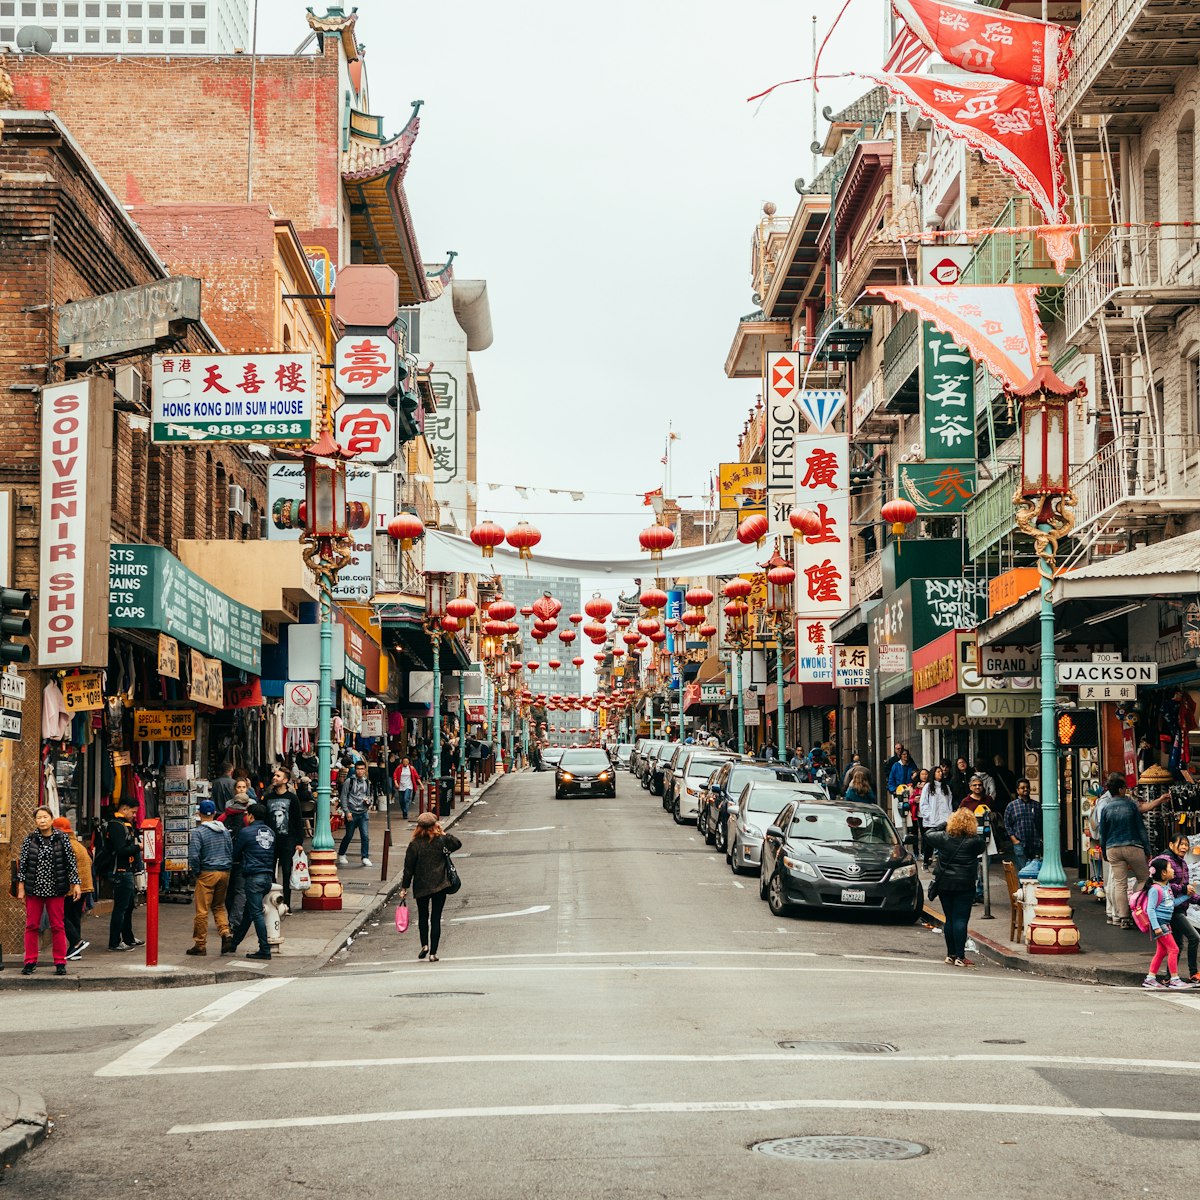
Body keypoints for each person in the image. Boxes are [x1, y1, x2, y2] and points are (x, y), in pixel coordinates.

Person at [16, 807, 81, 976]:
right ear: (35, 821)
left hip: (56, 888)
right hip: (34, 888)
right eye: (39, 818)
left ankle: (60, 962)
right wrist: (21, 888)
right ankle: (30, 961)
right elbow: (23, 865)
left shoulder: (62, 838)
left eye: (45, 817)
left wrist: (76, 884)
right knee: (31, 925)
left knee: (57, 925)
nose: (42, 820)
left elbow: (71, 862)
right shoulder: (30, 839)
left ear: (52, 819)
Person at [926, 808, 988, 968]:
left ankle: (951, 954)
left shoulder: (944, 838)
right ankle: (960, 956)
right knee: (961, 919)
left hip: (945, 884)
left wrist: (944, 824)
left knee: (950, 919)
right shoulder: (974, 841)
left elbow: (929, 833)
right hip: (965, 884)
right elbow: (983, 845)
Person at [398, 811, 463, 963]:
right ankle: (433, 953)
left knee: (423, 916)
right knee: (435, 918)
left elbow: (408, 869)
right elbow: (457, 843)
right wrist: (443, 832)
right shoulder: (442, 841)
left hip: (421, 885)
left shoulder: (414, 844)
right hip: (440, 884)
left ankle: (424, 945)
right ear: (435, 825)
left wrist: (404, 887)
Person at [1099, 776, 1151, 929]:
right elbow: (1141, 829)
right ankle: (1136, 907)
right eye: (1125, 788)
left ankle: (1124, 918)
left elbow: (1103, 833)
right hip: (1132, 845)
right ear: (1121, 789)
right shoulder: (1131, 806)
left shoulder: (1106, 808)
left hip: (1113, 848)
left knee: (1120, 883)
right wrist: (1147, 850)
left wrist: (1104, 851)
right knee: (1143, 878)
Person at [228, 802, 276, 961]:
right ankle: (233, 944)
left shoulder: (246, 832)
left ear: (251, 816)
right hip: (267, 876)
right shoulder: (270, 832)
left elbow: (235, 853)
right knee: (249, 912)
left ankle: (264, 949)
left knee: (256, 913)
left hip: (253, 876)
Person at [186, 799, 234, 957]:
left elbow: (194, 855)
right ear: (214, 813)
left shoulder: (198, 832)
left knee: (202, 910)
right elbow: (230, 850)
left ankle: (200, 944)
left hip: (207, 872)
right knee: (219, 906)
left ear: (199, 814)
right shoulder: (224, 831)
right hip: (224, 872)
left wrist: (197, 872)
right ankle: (225, 933)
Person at [1143, 855, 1194, 990]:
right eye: (1170, 868)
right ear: (1164, 873)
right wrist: (1156, 927)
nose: (1173, 870)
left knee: (1161, 952)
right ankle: (1174, 979)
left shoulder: (1167, 887)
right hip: (1160, 923)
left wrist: (1186, 896)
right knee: (1174, 949)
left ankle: (1150, 978)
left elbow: (1172, 903)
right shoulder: (1155, 889)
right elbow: (1150, 909)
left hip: (1165, 923)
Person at [104, 797, 144, 953]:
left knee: (129, 907)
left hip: (127, 870)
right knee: (121, 908)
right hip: (120, 871)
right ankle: (114, 942)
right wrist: (138, 847)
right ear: (124, 808)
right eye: (133, 812)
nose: (134, 815)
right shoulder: (116, 825)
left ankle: (128, 937)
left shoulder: (123, 825)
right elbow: (120, 850)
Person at [52, 817, 93, 961]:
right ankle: (75, 951)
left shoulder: (64, 845)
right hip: (85, 886)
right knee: (74, 917)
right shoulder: (78, 844)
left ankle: (77, 942)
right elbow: (89, 862)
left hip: (72, 887)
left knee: (60, 915)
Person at [1162, 831, 1200, 983]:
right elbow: (1163, 884)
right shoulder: (1164, 861)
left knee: (1176, 945)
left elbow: (1187, 891)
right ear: (1171, 845)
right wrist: (1183, 889)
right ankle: (1193, 973)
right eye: (1181, 844)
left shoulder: (1183, 863)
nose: (1184, 847)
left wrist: (1197, 899)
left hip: (1179, 908)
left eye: (1186, 845)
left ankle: (1169, 977)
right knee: (1194, 937)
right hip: (1171, 909)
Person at [265, 766, 303, 910]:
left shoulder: (292, 798)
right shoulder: (268, 798)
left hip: (288, 839)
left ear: (286, 780)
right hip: (270, 840)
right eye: (274, 775)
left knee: (287, 871)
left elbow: (297, 820)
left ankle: (286, 904)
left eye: (278, 776)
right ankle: (274, 900)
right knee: (269, 871)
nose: (274, 778)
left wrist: (299, 842)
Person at [337, 760, 373, 868]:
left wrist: (368, 801)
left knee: (365, 835)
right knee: (349, 835)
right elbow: (343, 796)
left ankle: (365, 857)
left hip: (363, 812)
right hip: (352, 812)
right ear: (355, 770)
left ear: (365, 770)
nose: (360, 771)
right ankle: (342, 853)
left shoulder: (367, 782)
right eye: (358, 769)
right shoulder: (349, 781)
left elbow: (369, 796)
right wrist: (346, 811)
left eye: (362, 769)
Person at [919, 765, 955, 869]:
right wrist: (929, 815)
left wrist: (949, 816)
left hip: (944, 819)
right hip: (932, 819)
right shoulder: (928, 787)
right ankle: (926, 861)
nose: (940, 773)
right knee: (930, 842)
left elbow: (949, 803)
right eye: (938, 771)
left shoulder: (946, 787)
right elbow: (923, 803)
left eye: (941, 772)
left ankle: (942, 863)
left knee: (944, 842)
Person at [1003, 779, 1042, 870]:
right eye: (1022, 787)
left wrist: (1040, 838)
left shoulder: (1036, 805)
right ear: (1017, 790)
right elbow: (1007, 824)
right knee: (1022, 871)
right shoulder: (1011, 806)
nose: (1025, 789)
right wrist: (1014, 840)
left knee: (1035, 870)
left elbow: (1041, 823)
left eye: (1027, 787)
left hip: (1034, 843)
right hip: (1019, 842)